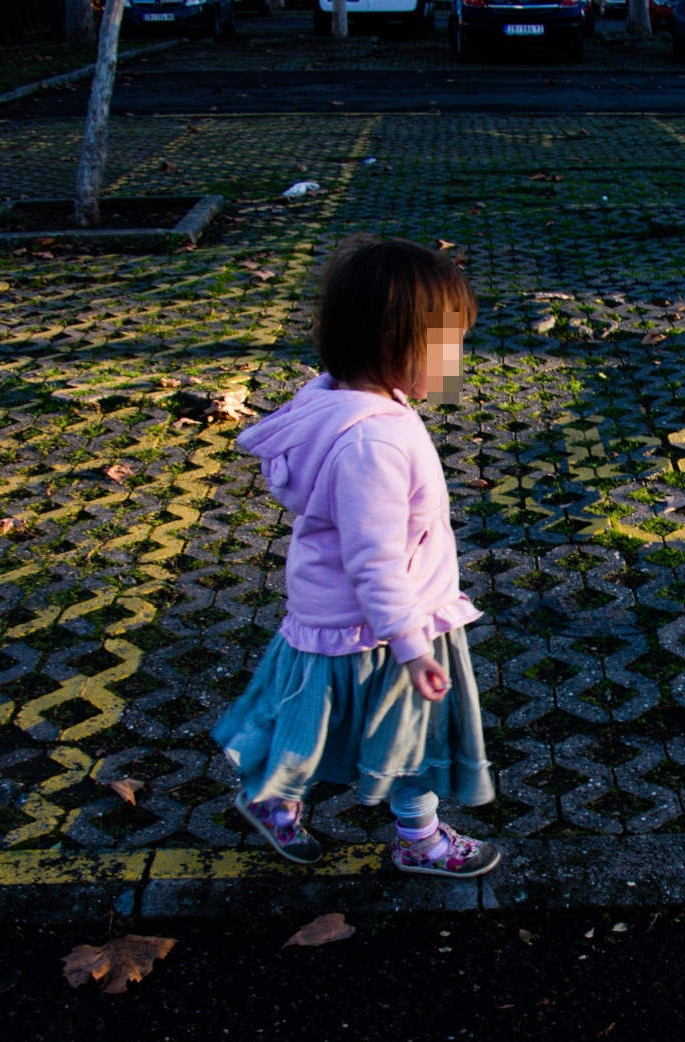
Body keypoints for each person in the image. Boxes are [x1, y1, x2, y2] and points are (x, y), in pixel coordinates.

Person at [211, 236, 499, 878]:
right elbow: (375, 561)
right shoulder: (376, 442)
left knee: (318, 730)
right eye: (449, 345)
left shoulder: (332, 402)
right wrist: (412, 645)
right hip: (387, 626)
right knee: (416, 738)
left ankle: (273, 799)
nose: (458, 360)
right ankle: (418, 842)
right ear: (395, 346)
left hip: (342, 619)